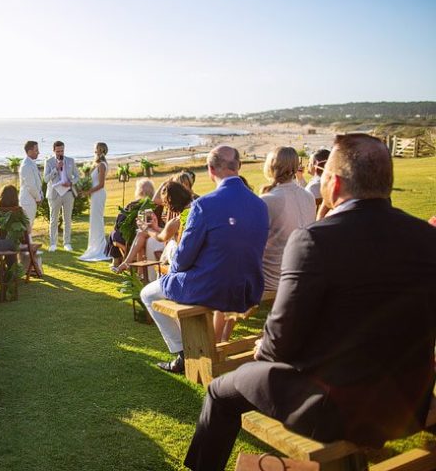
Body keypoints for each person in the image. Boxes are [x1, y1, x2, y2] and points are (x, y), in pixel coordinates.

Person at [184, 134, 436, 471]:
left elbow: (279, 345)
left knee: (219, 390)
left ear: (333, 184)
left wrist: (264, 347)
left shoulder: (315, 240)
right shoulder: (426, 236)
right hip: (411, 398)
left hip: (339, 407)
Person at [139, 146, 269, 374]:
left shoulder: (204, 205)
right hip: (249, 287)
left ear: (210, 170)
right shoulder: (260, 205)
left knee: (147, 294)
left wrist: (175, 264)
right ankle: (189, 350)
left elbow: (181, 261)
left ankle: (182, 352)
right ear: (238, 166)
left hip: (213, 288)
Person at [259, 147, 317, 292]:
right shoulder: (308, 196)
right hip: (303, 271)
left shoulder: (269, 200)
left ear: (270, 166)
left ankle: (221, 313)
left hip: (274, 278)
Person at [114, 181, 193, 278]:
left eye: (166, 203)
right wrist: (155, 228)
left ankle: (141, 272)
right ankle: (131, 265)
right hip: (193, 253)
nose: (166, 206)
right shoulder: (195, 209)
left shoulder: (176, 221)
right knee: (143, 234)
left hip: (181, 258)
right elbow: (171, 233)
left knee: (144, 234)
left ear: (171, 201)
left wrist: (147, 229)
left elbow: (161, 238)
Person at [106, 178, 155, 267]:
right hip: (150, 235)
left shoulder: (132, 205)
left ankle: (116, 260)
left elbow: (118, 224)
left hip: (132, 239)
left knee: (113, 233)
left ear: (139, 191)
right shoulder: (155, 206)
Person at [43, 140, 80, 252]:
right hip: (54, 194)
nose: (60, 153)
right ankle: (53, 244)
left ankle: (67, 243)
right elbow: (45, 179)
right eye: (58, 151)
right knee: (53, 220)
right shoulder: (48, 162)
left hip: (68, 193)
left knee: (67, 219)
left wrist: (71, 182)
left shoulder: (70, 161)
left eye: (62, 150)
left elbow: (77, 176)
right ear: (54, 150)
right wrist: (55, 169)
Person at [79, 142, 110, 261]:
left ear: (100, 150)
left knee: (97, 220)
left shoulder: (102, 165)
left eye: (96, 149)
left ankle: (99, 247)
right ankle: (94, 246)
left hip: (98, 194)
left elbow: (101, 184)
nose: (94, 151)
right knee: (94, 220)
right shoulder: (98, 165)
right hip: (95, 195)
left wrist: (88, 192)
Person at [19, 140, 43, 233]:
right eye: (36, 150)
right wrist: (38, 198)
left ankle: (28, 245)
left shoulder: (31, 163)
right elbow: (31, 186)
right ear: (29, 151)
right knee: (27, 227)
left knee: (29, 226)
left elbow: (36, 183)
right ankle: (27, 246)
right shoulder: (26, 165)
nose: (39, 152)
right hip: (27, 201)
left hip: (31, 200)